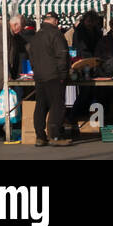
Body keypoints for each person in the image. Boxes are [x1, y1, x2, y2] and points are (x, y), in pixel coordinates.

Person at [30, 12, 72, 147]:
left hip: (40, 76)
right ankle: (54, 136)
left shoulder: (37, 35)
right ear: (54, 21)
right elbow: (62, 56)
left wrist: (37, 71)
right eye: (57, 21)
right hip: (54, 75)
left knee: (41, 106)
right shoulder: (56, 34)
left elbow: (31, 56)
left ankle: (40, 137)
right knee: (57, 106)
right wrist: (63, 75)